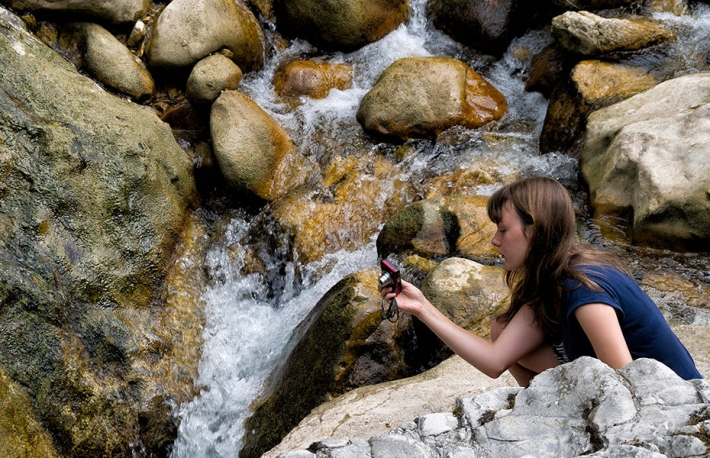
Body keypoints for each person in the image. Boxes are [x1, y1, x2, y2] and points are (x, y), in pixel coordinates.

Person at [380, 176, 702, 386]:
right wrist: (421, 307)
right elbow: (495, 360)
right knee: (501, 331)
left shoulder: (585, 288)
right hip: (624, 388)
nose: (494, 241)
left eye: (503, 229)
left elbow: (627, 383)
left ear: (534, 230)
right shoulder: (553, 279)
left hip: (671, 402)